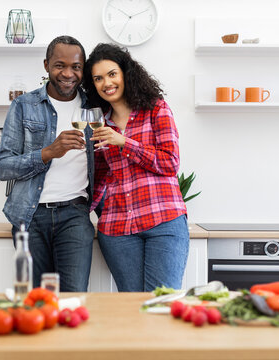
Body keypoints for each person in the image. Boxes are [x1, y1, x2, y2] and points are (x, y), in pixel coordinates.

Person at [82, 43, 189, 292]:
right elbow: (101, 176)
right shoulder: (99, 123)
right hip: (117, 228)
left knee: (160, 302)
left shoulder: (156, 109)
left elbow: (170, 162)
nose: (106, 83)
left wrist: (124, 142)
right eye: (98, 78)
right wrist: (88, 210)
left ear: (125, 73)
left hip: (163, 221)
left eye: (111, 74)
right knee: (131, 305)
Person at [0, 35, 95, 292]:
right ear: (46, 65)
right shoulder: (23, 106)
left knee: (73, 301)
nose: (68, 73)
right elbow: (3, 167)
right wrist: (48, 152)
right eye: (59, 65)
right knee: (35, 302)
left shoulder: (94, 109)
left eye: (76, 67)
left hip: (75, 215)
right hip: (29, 216)